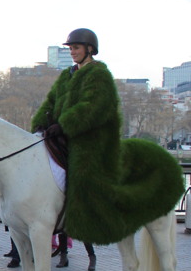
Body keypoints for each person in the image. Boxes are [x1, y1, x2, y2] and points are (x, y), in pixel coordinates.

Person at [31, 28, 183, 244]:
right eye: (71, 48)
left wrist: (64, 125)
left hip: (92, 138)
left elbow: (92, 107)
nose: (72, 52)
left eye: (76, 48)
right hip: (66, 135)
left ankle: (96, 224)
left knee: (85, 173)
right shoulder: (67, 75)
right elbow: (51, 101)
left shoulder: (99, 74)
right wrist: (40, 125)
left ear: (89, 49)